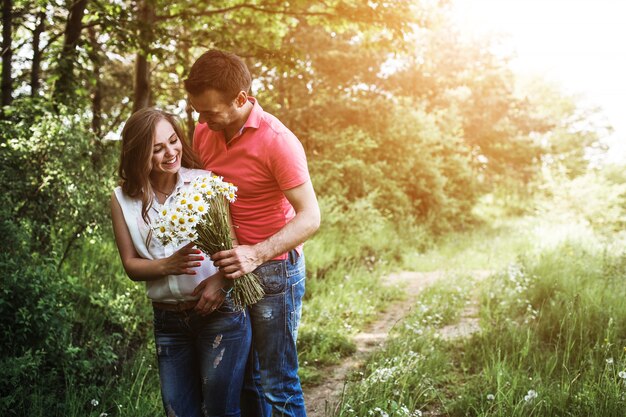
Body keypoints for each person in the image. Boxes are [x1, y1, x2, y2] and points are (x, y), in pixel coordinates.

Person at [184, 50, 321, 417]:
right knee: (247, 382)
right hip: (231, 267)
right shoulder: (204, 131)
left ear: (242, 99)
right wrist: (220, 273)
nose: (201, 119)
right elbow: (209, 204)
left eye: (210, 112)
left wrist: (256, 254)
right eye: (198, 111)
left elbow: (310, 217)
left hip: (275, 270)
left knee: (277, 383)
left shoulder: (279, 142)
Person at [110, 107, 251, 417]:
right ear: (137, 154)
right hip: (169, 323)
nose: (170, 152)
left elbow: (232, 248)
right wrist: (167, 266)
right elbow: (131, 265)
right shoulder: (122, 199)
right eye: (157, 149)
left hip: (220, 314)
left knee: (220, 412)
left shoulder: (204, 183)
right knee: (178, 412)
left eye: (173, 141)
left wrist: (221, 283)